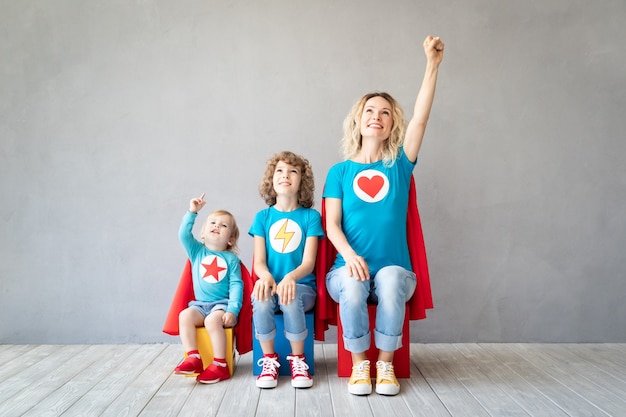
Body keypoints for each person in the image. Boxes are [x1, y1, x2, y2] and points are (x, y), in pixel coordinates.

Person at [323, 35, 444, 396]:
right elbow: (331, 224)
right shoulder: (339, 172)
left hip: (396, 271)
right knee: (353, 282)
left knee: (389, 280)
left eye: (385, 112)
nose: (377, 117)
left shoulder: (399, 167)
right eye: (370, 111)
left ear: (393, 125)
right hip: (345, 270)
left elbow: (421, 121)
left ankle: (385, 366)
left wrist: (432, 65)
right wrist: (348, 256)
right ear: (358, 121)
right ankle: (361, 365)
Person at [249, 151, 324, 389]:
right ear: (272, 179)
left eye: (293, 171)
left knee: (289, 296)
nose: (286, 175)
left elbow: (308, 263)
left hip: (302, 288)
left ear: (302, 180)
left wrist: (290, 277)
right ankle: (269, 360)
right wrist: (267, 278)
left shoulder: (311, 217)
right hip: (272, 285)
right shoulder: (262, 217)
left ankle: (298, 360)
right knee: (259, 299)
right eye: (280, 171)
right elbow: (259, 261)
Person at [174, 193, 244, 384]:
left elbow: (237, 285)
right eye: (212, 223)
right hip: (199, 305)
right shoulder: (197, 251)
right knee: (184, 316)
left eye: (223, 225)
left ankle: (220, 365)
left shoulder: (231, 259)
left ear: (230, 239)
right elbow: (183, 235)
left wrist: (232, 309)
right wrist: (192, 212)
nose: (216, 226)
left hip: (220, 305)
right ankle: (193, 357)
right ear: (203, 233)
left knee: (213, 321)